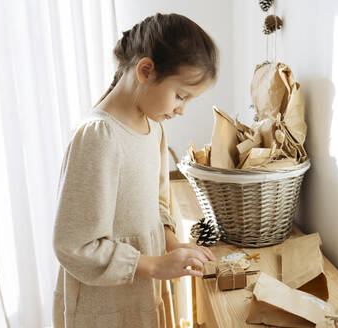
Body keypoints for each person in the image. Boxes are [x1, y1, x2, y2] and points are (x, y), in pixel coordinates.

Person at [52, 13, 218, 328]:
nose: (181, 109)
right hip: (104, 307)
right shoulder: (99, 137)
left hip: (143, 294)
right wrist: (154, 265)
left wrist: (171, 244)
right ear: (145, 70)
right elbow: (73, 245)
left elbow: (158, 202)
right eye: (180, 95)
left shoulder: (153, 128)